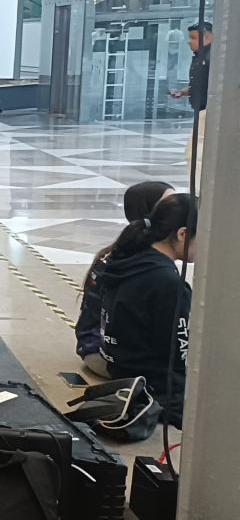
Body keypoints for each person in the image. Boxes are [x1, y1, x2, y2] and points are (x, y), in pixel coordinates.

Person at [99, 193, 197, 428]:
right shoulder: (168, 284)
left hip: (123, 376)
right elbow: (180, 355)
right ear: (182, 234)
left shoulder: (126, 260)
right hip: (160, 391)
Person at [76, 181, 174, 378]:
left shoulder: (124, 249)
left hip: (97, 347)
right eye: (169, 203)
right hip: (105, 356)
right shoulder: (142, 263)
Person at [169, 22, 211, 180]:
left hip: (208, 112)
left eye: (193, 38)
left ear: (206, 37)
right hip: (201, 111)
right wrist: (182, 92)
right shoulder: (199, 57)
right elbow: (198, 84)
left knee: (195, 155)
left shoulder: (213, 59)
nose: (188, 42)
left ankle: (199, 189)